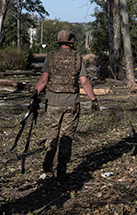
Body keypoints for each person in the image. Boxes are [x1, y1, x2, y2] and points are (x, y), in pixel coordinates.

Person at [32, 30, 99, 181]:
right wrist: (94, 100)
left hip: (52, 103)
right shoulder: (77, 57)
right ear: (71, 42)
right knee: (66, 138)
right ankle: (61, 171)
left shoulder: (51, 56)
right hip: (71, 104)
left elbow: (43, 80)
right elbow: (84, 82)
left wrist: (35, 94)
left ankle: (48, 165)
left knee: (52, 135)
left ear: (59, 42)